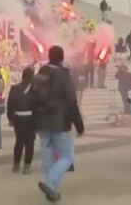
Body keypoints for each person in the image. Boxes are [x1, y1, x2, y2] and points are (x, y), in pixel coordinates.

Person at [33, 46, 85, 203]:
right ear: (61, 58)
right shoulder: (63, 75)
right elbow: (71, 100)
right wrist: (79, 123)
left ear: (49, 56)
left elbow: (33, 98)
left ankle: (53, 189)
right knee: (66, 157)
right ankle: (50, 183)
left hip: (42, 121)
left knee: (48, 154)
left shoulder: (39, 74)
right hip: (59, 121)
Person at [8, 66, 36, 175]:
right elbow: (37, 106)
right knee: (29, 143)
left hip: (18, 118)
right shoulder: (34, 89)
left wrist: (10, 118)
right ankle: (27, 166)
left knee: (19, 141)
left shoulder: (14, 88)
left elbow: (10, 105)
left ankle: (16, 164)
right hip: (31, 119)